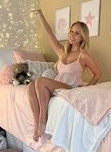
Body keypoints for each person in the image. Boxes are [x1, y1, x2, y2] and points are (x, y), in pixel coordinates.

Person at [27, 9, 102, 141]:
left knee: (40, 81)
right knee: (31, 86)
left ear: (82, 37)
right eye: (72, 31)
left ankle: (43, 120)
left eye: (77, 33)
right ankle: (36, 125)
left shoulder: (83, 55)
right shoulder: (63, 52)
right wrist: (41, 15)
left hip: (70, 87)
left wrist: (87, 88)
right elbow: (50, 34)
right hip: (57, 86)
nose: (72, 35)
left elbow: (98, 73)